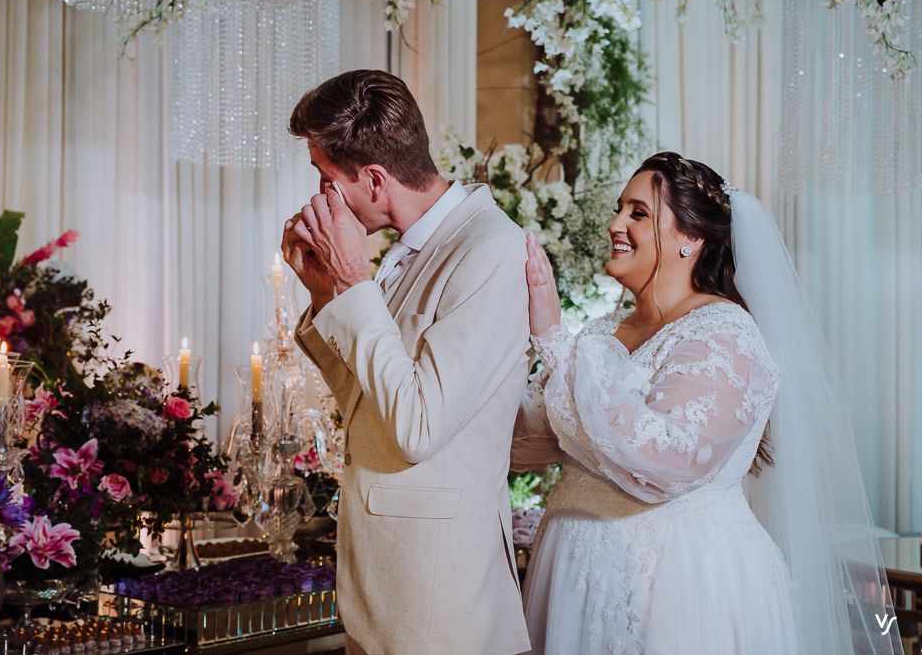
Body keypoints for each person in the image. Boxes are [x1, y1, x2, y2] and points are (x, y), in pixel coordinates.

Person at [513, 151, 901, 654]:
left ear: (691, 240)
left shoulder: (725, 334)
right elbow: (533, 440)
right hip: (570, 576)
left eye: (638, 213)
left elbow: (664, 461)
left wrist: (551, 337)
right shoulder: (602, 332)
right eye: (619, 209)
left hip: (677, 587)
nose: (615, 224)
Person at [280, 69, 531, 654]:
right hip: (384, 592)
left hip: (441, 607)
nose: (319, 198)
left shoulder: (487, 250)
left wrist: (355, 283)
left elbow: (418, 427)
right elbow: (370, 408)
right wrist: (326, 296)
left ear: (372, 178)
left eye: (325, 179)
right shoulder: (408, 249)